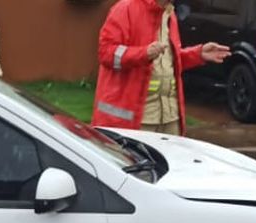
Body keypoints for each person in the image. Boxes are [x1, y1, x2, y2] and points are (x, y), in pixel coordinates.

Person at [92, 0, 230, 137]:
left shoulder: (170, 14)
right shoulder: (125, 8)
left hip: (170, 119)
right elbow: (107, 53)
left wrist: (198, 54)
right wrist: (143, 53)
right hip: (138, 121)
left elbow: (168, 61)